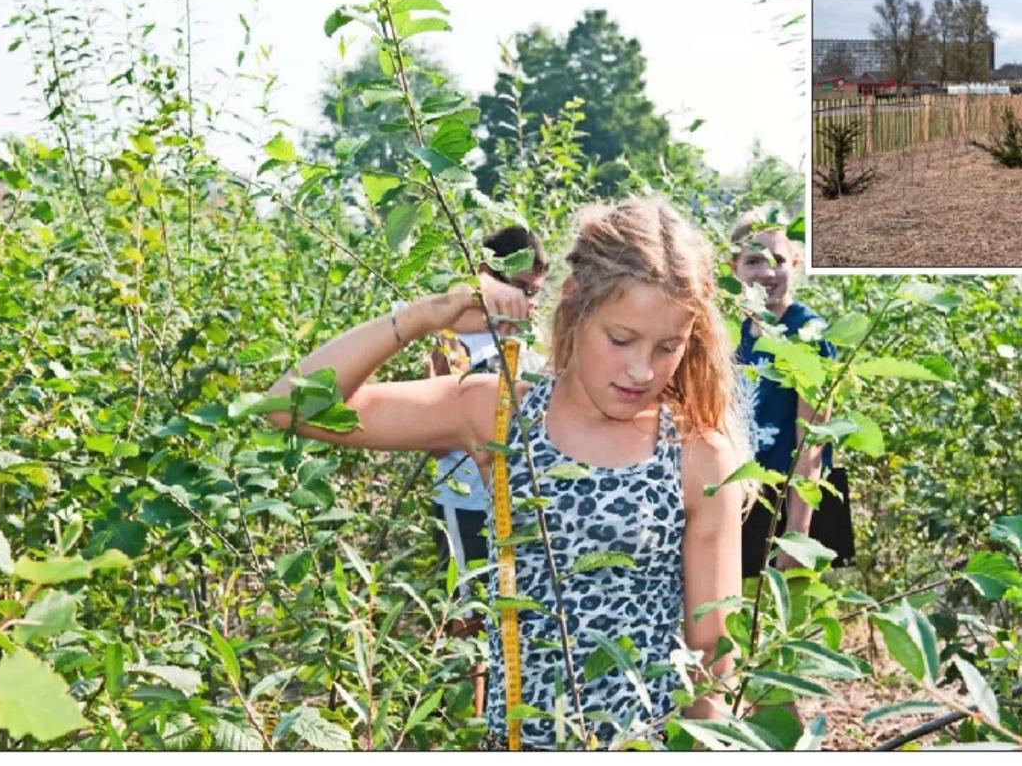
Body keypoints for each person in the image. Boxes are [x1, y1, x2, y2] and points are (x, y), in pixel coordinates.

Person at [265, 197, 745, 749]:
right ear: (575, 305)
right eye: (620, 339)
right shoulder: (500, 413)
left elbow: (714, 648)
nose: (642, 369)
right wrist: (428, 316)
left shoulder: (695, 452)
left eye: (668, 347)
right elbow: (289, 407)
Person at [426, 225, 548, 720]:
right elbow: (436, 421)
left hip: (520, 504)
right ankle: (469, 724)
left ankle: (505, 714)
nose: (527, 303)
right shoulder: (457, 341)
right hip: (466, 501)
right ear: (485, 279)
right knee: (468, 617)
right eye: (517, 290)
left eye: (535, 293)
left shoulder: (535, 343)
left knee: (515, 614)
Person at [729, 207, 853, 580]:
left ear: (795, 263)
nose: (766, 273)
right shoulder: (735, 337)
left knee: (786, 621)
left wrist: (796, 535)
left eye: (777, 260)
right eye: (753, 261)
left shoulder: (807, 334)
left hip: (788, 505)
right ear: (733, 267)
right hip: (740, 501)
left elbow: (811, 441)